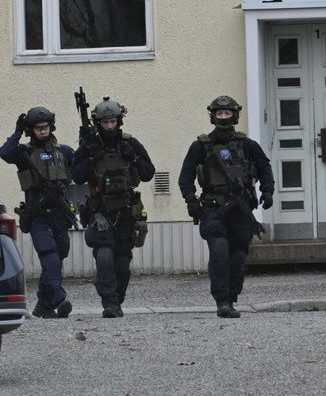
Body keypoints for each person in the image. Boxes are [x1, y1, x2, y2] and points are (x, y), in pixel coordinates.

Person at [178, 95, 275, 318]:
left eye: (227, 113)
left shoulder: (247, 145)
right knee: (219, 249)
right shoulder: (201, 146)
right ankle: (221, 300)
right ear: (213, 116)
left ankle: (231, 298)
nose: (223, 117)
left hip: (241, 210)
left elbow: (264, 168)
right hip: (214, 208)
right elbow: (185, 176)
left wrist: (267, 191)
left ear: (235, 115)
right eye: (220, 114)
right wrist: (191, 200)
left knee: (238, 256)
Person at [71, 97, 155, 318]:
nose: (110, 126)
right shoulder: (90, 145)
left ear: (119, 121)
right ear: (98, 123)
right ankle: (109, 302)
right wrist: (89, 157)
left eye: (113, 122)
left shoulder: (130, 143)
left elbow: (148, 173)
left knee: (122, 262)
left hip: (126, 210)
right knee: (104, 255)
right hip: (100, 210)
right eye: (105, 122)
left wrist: (134, 157)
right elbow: (77, 177)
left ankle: (117, 298)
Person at [0, 106, 76, 318]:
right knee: (48, 252)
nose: (42, 131)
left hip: (59, 213)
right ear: (31, 130)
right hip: (37, 213)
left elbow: (80, 169)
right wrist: (16, 132)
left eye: (46, 127)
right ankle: (59, 297)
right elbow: (5, 153)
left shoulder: (64, 151)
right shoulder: (24, 152)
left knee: (60, 254)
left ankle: (43, 305)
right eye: (38, 128)